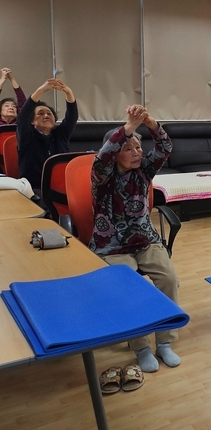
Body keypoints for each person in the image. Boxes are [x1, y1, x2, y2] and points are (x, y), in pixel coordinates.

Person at [91, 105, 182, 373]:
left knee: (168, 279)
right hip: (112, 246)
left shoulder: (144, 171)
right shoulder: (101, 177)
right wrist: (129, 127)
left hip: (145, 240)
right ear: (115, 153)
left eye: (139, 147)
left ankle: (164, 342)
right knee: (129, 287)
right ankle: (141, 346)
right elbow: (102, 158)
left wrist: (149, 122)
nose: (137, 152)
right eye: (129, 148)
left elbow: (165, 147)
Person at [16, 78, 78, 194]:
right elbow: (23, 117)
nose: (46, 116)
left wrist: (68, 92)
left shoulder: (60, 136)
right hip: (34, 189)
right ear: (32, 121)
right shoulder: (26, 138)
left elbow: (72, 117)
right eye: (40, 113)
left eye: (49, 113)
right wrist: (42, 90)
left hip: (62, 187)